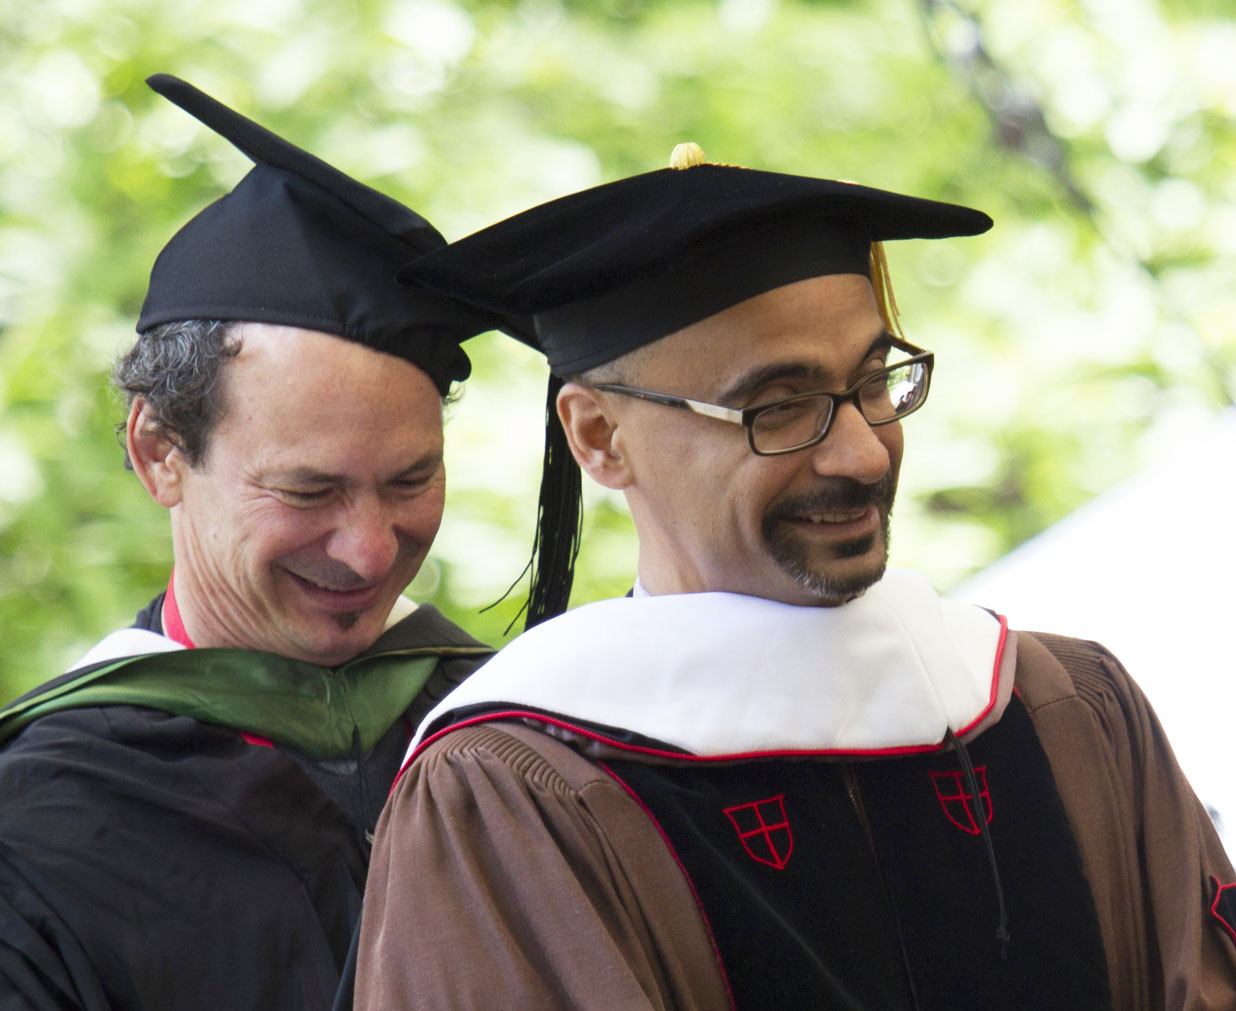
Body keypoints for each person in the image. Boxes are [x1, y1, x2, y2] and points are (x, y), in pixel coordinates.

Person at [354, 144, 1236, 1009]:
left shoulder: (1062, 705)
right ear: (598, 437)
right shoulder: (516, 791)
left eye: (875, 384)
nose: (860, 451)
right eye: (780, 407)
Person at [0, 75, 497, 1010]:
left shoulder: (513, 732)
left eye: (410, 482)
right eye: (309, 489)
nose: (368, 551)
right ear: (160, 452)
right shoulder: (40, 820)